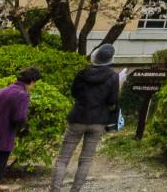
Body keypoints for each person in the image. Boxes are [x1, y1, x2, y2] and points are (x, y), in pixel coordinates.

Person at [50, 44, 119, 192]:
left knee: (63, 159)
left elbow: (74, 93)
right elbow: (112, 101)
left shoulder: (82, 73)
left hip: (78, 117)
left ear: (95, 56)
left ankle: (54, 190)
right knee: (86, 160)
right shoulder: (113, 76)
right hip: (98, 121)